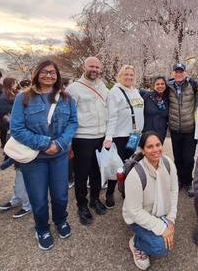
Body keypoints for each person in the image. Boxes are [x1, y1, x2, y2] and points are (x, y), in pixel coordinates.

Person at [10, 60, 78, 251]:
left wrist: (59, 143)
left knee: (60, 195)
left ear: (57, 76)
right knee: (38, 198)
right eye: (45, 72)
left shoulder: (66, 98)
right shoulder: (23, 98)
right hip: (34, 158)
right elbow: (16, 128)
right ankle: (41, 228)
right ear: (37, 74)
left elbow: (73, 123)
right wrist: (44, 144)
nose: (49, 75)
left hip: (60, 155)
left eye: (53, 72)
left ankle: (60, 220)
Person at [122, 132, 178, 270]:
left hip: (160, 212)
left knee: (167, 238)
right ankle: (137, 243)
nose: (155, 150)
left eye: (158, 145)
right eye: (150, 147)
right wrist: (161, 228)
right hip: (137, 217)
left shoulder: (168, 163)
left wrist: (170, 219)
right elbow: (134, 211)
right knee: (162, 247)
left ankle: (146, 236)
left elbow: (173, 191)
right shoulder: (136, 175)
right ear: (142, 150)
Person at [66, 56, 109, 225]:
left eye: (97, 67)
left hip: (101, 136)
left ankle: (95, 199)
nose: (95, 70)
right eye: (91, 66)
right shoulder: (73, 89)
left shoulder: (103, 86)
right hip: (82, 137)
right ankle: (81, 204)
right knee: (82, 174)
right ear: (84, 67)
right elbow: (69, 116)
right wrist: (69, 142)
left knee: (97, 172)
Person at [104, 65, 144, 208]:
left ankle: (126, 190)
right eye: (126, 74)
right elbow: (112, 116)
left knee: (129, 164)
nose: (129, 77)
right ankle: (109, 192)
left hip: (134, 135)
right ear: (120, 76)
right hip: (120, 135)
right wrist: (109, 137)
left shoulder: (136, 91)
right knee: (117, 166)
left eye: (131, 75)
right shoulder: (115, 92)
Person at [167, 63, 198, 196]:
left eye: (181, 72)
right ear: (173, 73)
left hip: (189, 128)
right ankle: (179, 180)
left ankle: (188, 181)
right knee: (178, 158)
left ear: (185, 72)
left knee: (189, 158)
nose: (179, 74)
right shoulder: (168, 86)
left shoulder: (193, 84)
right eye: (176, 72)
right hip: (174, 129)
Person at [141, 76, 169, 143]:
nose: (160, 86)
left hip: (161, 133)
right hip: (148, 132)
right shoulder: (147, 96)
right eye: (157, 84)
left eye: (162, 84)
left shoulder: (167, 99)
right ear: (154, 86)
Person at [0, 77, 18, 149]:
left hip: (10, 116)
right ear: (10, 84)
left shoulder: (11, 92)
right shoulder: (4, 95)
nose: (16, 84)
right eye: (15, 83)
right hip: (7, 117)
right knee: (5, 132)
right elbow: (2, 109)